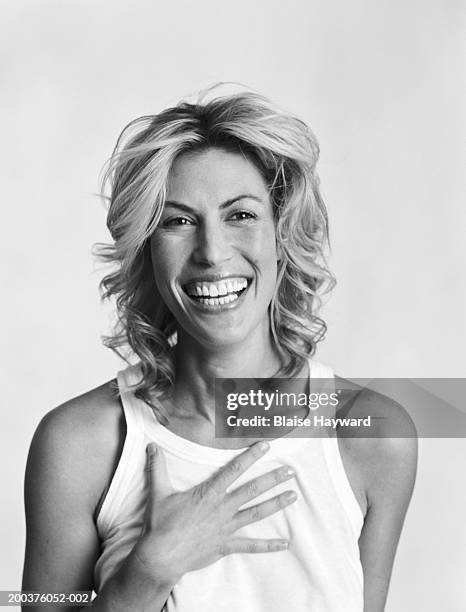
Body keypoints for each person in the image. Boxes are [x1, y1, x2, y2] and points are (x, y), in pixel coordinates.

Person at [22, 86, 417, 611]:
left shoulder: (374, 436)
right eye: (178, 221)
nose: (211, 252)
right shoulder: (78, 444)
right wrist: (147, 572)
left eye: (241, 215)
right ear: (147, 247)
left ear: (283, 233)